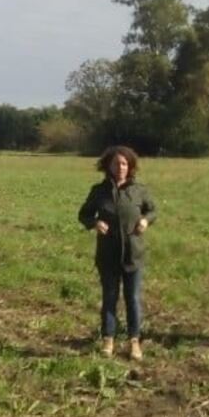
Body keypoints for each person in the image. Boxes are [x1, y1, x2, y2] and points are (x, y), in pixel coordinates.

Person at [78, 145, 157, 361]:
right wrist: (94, 222)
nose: (120, 167)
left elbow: (152, 210)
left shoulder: (139, 190)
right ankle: (108, 339)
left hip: (134, 254)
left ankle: (134, 341)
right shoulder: (99, 191)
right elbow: (84, 214)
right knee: (109, 297)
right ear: (108, 166)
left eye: (124, 163)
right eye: (116, 163)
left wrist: (145, 220)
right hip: (108, 254)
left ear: (130, 166)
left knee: (132, 299)